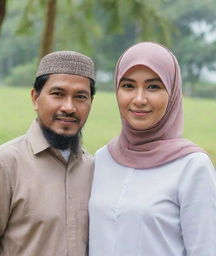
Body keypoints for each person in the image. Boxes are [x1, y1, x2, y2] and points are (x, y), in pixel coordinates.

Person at [89, 42, 216, 255]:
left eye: (153, 87)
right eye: (128, 86)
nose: (139, 100)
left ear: (173, 93)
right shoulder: (103, 159)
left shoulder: (192, 167)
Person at [0, 50, 96, 256]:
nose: (69, 107)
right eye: (58, 94)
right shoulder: (4, 164)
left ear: (90, 103)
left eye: (80, 97)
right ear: (35, 98)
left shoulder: (93, 168)